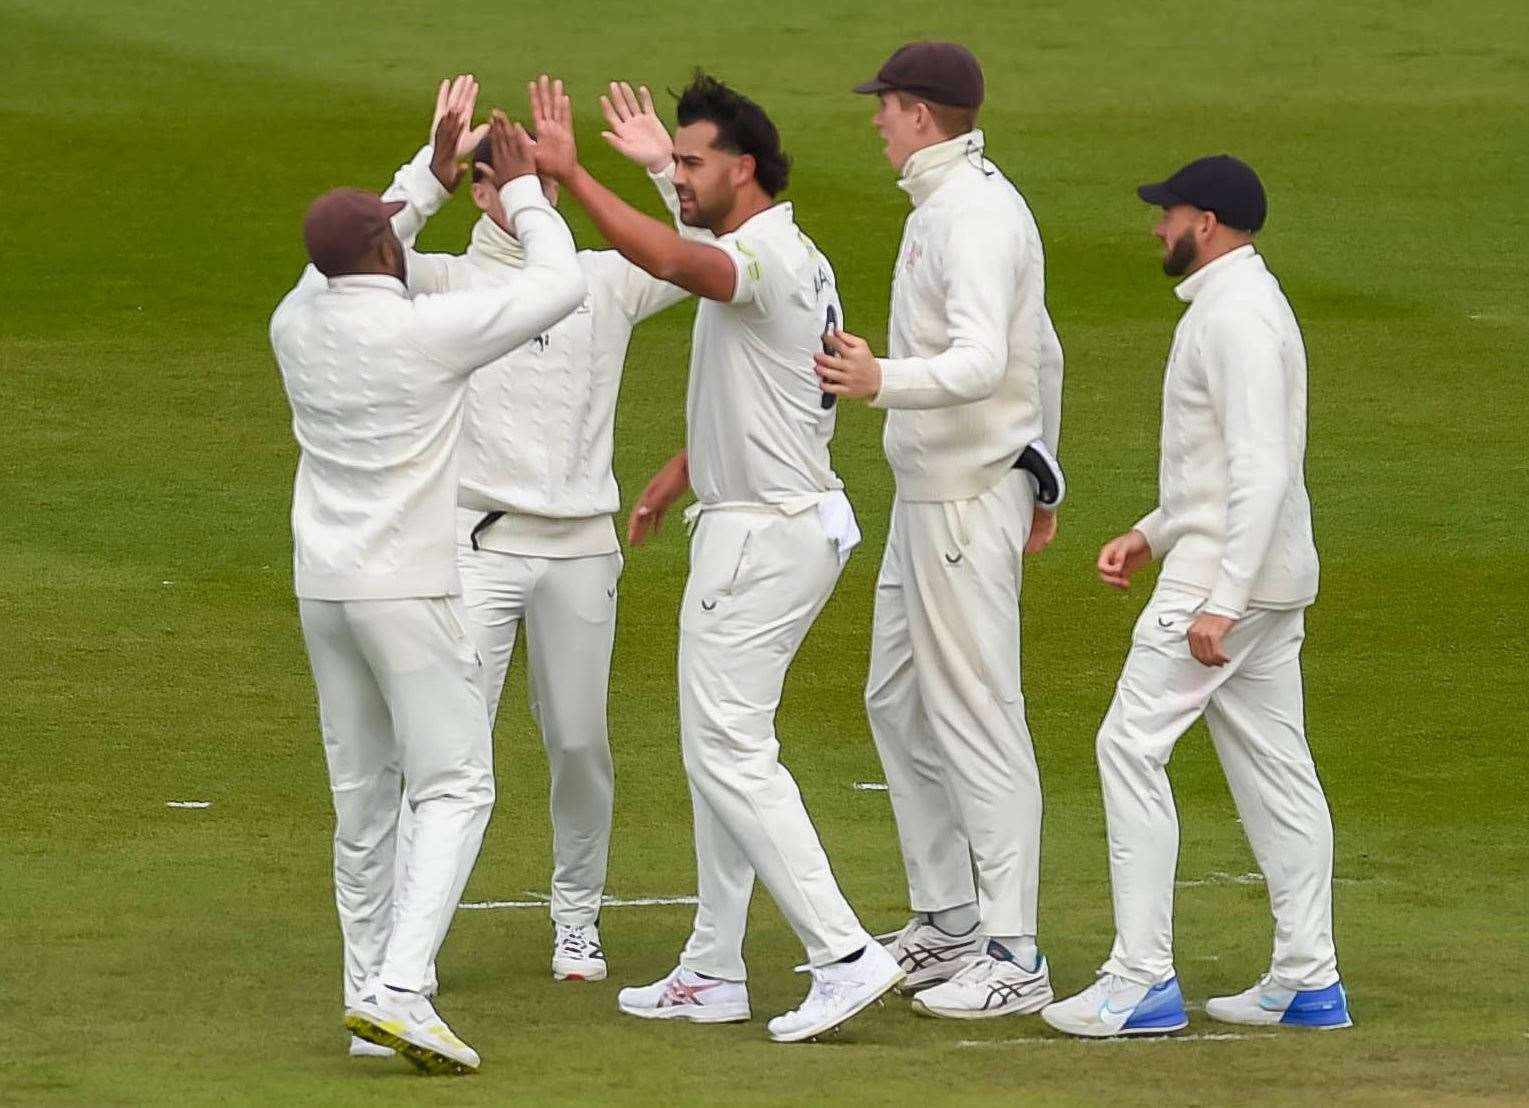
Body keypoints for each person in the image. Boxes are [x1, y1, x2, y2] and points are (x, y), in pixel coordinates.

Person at [528, 73, 904, 1042]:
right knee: (719, 753)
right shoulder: (792, 250)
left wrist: (571, 173)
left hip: (760, 538)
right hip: (778, 517)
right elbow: (760, 380)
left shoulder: (761, 259)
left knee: (728, 750)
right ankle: (710, 965)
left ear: (741, 168)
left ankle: (842, 951)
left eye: (694, 162)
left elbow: (671, 257)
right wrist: (679, 472)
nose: (681, 175)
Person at [269, 78, 587, 1074]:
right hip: (407, 587)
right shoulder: (423, 331)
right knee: (455, 783)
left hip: (324, 587)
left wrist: (427, 175)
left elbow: (354, 248)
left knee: (362, 795)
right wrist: (525, 190)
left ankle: (368, 991)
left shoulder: (295, 319)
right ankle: (403, 990)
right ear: (385, 254)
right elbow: (558, 285)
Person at [383, 81, 701, 985]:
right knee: (451, 750)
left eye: (545, 181)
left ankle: (576, 921)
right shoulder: (445, 280)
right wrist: (429, 176)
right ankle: (414, 945)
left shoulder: (600, 279)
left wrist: (656, 168)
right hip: (474, 546)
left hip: (580, 549)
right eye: (508, 179)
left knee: (577, 745)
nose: (535, 196)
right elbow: (360, 259)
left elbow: (711, 253)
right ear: (480, 191)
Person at [1041, 155, 1350, 1037]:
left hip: (1229, 580)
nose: (1155, 227)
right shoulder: (1233, 306)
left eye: (1166, 213)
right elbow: (1220, 469)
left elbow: (1260, 468)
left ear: (1204, 222)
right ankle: (1306, 980)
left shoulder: (1238, 319)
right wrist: (1152, 529)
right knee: (1274, 768)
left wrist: (1221, 595)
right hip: (1254, 569)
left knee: (1127, 746)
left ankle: (1139, 980)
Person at [813, 41, 1064, 1019]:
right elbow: (1043, 353)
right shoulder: (947, 203)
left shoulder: (971, 215)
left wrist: (881, 382)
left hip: (960, 497)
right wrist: (1047, 476)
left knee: (976, 715)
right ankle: (949, 919)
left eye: (884, 105)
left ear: (920, 114)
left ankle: (1015, 950)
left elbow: (985, 358)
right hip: (933, 495)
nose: (874, 119)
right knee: (894, 701)